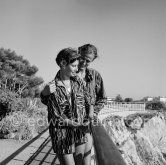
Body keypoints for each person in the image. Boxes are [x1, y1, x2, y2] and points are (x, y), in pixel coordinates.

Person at [40, 48, 92, 165]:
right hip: (61, 134)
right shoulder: (52, 88)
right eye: (74, 66)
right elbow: (58, 117)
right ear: (63, 64)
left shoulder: (78, 82)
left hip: (80, 133)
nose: (77, 69)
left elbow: (89, 100)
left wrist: (89, 117)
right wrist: (79, 126)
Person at [77, 44, 107, 165]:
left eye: (87, 61)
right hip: (71, 125)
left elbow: (102, 98)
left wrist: (93, 112)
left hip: (87, 125)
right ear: (78, 53)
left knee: (86, 159)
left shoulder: (95, 76)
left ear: (92, 60)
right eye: (81, 58)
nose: (83, 62)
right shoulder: (67, 72)